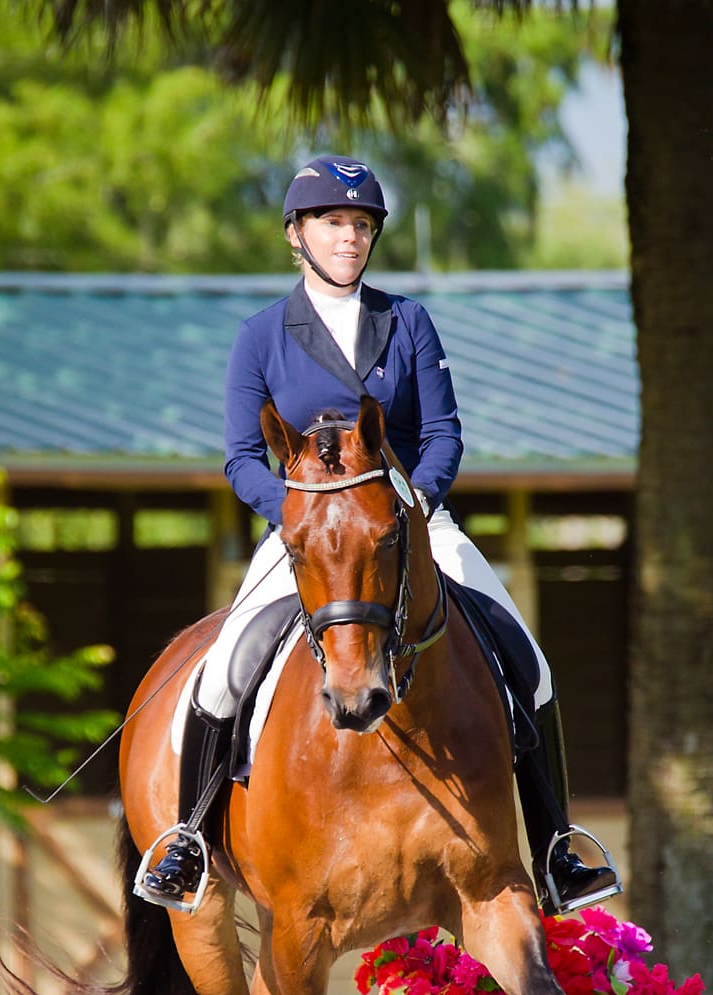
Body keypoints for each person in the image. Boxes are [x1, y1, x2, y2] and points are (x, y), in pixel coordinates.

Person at [140, 155, 620, 917]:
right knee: (224, 667)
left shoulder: (408, 323)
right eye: (334, 222)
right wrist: (297, 512)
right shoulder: (263, 335)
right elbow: (238, 455)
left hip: (411, 526)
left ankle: (558, 844)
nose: (350, 236)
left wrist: (415, 503)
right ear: (297, 234)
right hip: (305, 533)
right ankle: (190, 837)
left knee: (529, 658)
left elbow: (443, 436)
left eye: (362, 225)